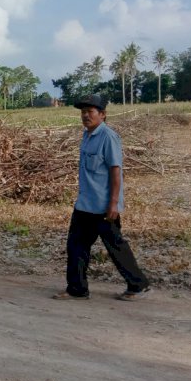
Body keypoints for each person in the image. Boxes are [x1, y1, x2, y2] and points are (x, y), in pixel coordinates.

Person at [54, 94, 152, 301]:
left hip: (103, 207)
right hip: (84, 205)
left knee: (116, 246)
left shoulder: (108, 137)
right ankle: (77, 289)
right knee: (76, 247)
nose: (85, 116)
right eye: (83, 112)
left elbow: (116, 172)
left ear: (103, 115)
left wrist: (114, 204)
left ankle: (137, 285)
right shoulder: (87, 135)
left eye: (90, 112)